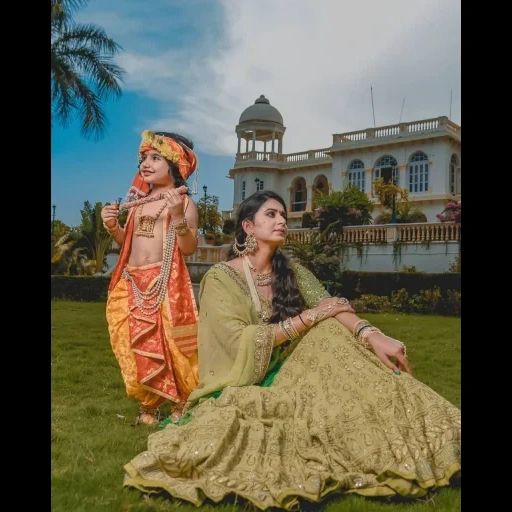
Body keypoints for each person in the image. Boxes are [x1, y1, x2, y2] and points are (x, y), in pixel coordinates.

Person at [123, 190, 461, 509]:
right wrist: (309, 318)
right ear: (248, 226)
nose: (282, 220)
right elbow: (236, 340)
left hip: (302, 364)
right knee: (323, 328)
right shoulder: (222, 278)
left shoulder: (290, 270)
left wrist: (372, 335)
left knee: (336, 335)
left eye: (283, 215)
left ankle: (431, 428)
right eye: (271, 214)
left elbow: (330, 305)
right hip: (255, 378)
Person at [101, 130, 201, 426]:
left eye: (156, 157)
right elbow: (128, 244)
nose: (146, 163)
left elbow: (189, 249)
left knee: (171, 343)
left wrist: (178, 217)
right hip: (132, 281)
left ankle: (181, 401)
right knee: (134, 343)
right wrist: (112, 227)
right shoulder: (138, 204)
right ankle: (149, 405)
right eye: (143, 158)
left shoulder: (183, 204)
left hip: (164, 284)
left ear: (175, 166)